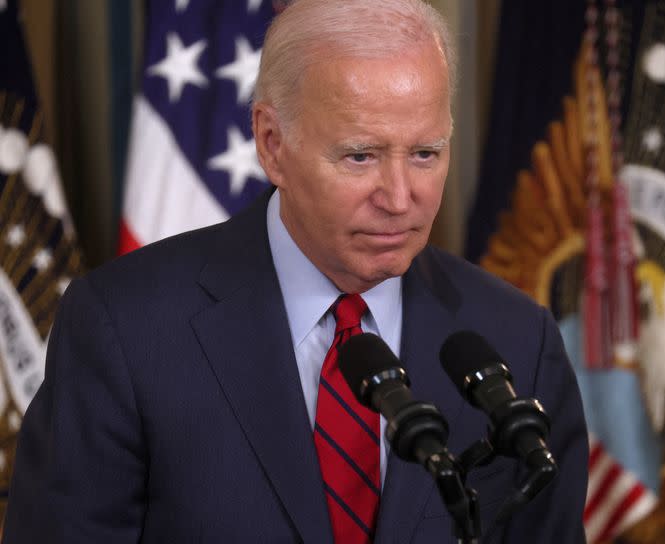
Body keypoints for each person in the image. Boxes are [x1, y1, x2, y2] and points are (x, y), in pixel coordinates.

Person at [3, 0, 588, 542]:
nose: (399, 197)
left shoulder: (519, 341)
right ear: (271, 143)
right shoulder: (126, 330)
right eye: (360, 155)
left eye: (425, 154)